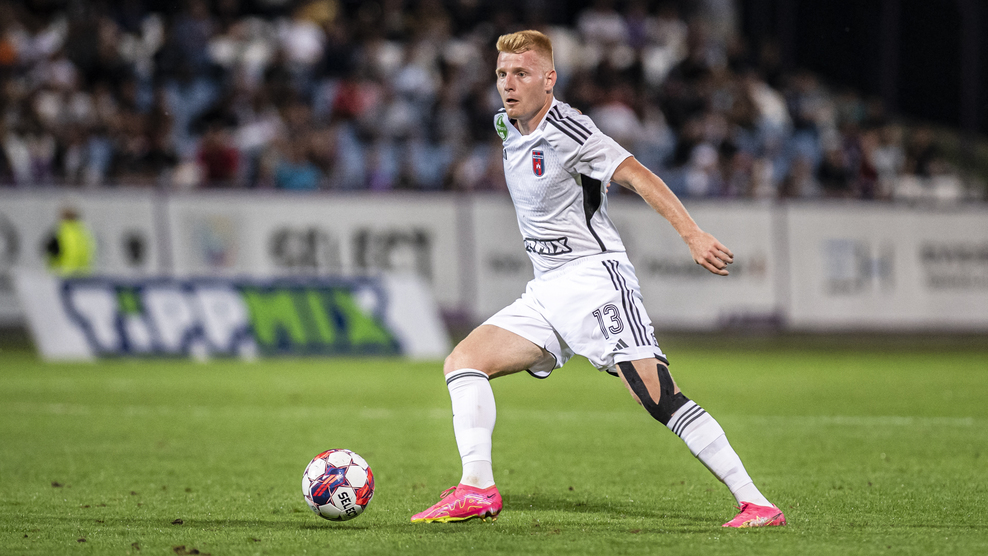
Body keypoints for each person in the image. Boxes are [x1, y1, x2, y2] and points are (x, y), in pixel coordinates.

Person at [410, 30, 785, 529]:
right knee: (464, 362)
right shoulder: (506, 125)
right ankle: (476, 488)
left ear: (550, 80)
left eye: (521, 73)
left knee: (655, 394)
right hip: (546, 289)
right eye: (501, 74)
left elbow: (639, 175)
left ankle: (757, 503)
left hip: (595, 280)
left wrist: (692, 234)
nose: (508, 84)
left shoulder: (571, 130)